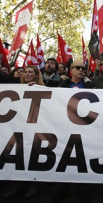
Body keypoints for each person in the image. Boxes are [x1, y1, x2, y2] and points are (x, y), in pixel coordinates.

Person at [52, 60, 93, 203]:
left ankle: (82, 187)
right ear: (71, 70)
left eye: (83, 68)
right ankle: (63, 188)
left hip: (84, 126)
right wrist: (32, 87)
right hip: (65, 126)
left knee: (82, 157)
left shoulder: (90, 85)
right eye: (78, 68)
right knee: (65, 156)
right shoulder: (62, 84)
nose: (81, 70)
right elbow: (45, 91)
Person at [4, 66, 44, 199]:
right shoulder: (17, 89)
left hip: (36, 128)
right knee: (20, 155)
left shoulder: (43, 89)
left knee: (33, 155)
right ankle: (20, 184)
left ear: (36, 75)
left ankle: (35, 185)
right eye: (25, 72)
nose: (27, 74)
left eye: (30, 72)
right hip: (19, 128)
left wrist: (35, 89)